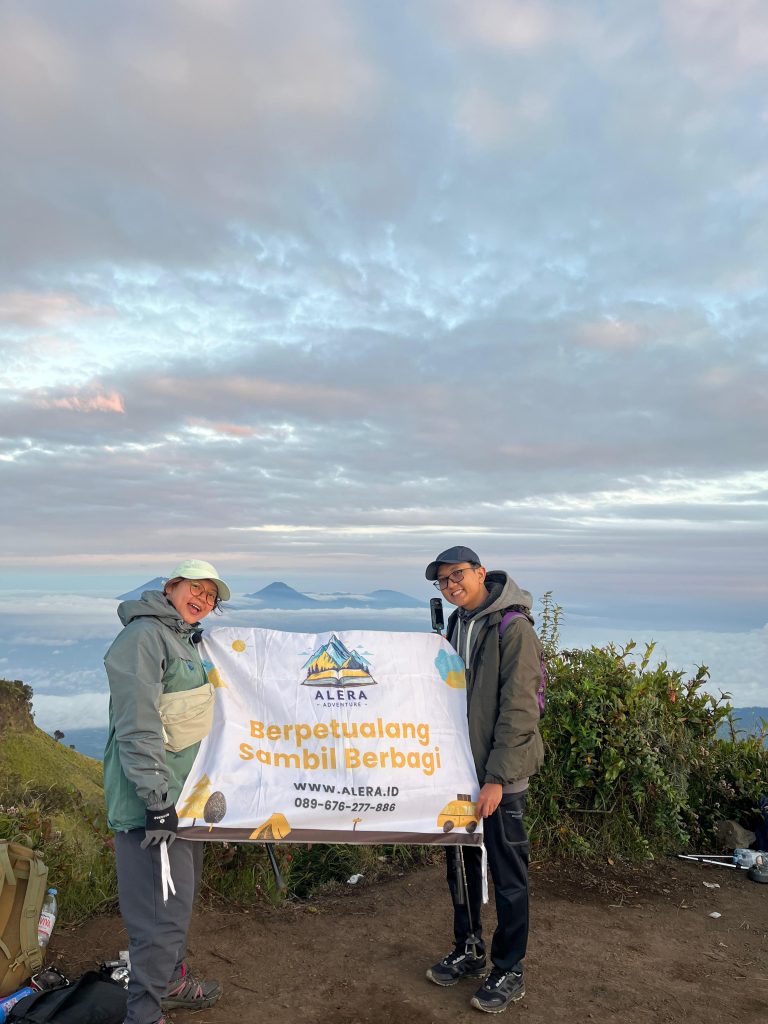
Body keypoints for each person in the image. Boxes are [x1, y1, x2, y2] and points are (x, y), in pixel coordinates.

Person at [103, 559, 231, 1024]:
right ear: (171, 587)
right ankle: (143, 1015)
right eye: (194, 588)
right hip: (151, 806)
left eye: (211, 596)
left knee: (175, 905)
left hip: (182, 801)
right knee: (158, 919)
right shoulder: (142, 638)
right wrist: (156, 803)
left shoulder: (182, 639)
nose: (202, 599)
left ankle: (172, 982)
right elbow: (137, 726)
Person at [424, 545, 544, 1014]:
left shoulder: (513, 629)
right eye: (442, 582)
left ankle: (509, 966)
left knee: (508, 871)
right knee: (460, 866)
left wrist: (496, 778)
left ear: (480, 573)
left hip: (499, 778)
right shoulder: (457, 623)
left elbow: (520, 710)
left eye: (457, 576)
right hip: (458, 771)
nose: (451, 585)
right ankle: (469, 947)